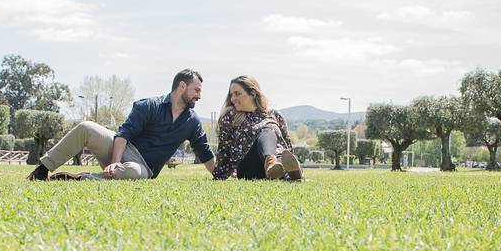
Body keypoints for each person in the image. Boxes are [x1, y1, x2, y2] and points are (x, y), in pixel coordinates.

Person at [27, 69, 216, 180]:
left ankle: (77, 178)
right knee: (86, 128)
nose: (199, 96)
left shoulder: (192, 121)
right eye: (196, 90)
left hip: (143, 166)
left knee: (133, 171)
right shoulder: (149, 106)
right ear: (182, 86)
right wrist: (115, 161)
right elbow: (123, 134)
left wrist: (222, 174)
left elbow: (205, 152)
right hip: (123, 148)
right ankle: (41, 171)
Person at [212, 75, 304, 182]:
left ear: (253, 94)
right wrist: (219, 175)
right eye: (231, 95)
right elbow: (224, 148)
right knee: (267, 131)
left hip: (278, 162)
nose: (232, 99)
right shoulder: (230, 116)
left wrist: (291, 161)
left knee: (278, 152)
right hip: (249, 167)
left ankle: (290, 173)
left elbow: (287, 147)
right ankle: (272, 163)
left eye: (237, 94)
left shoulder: (275, 115)